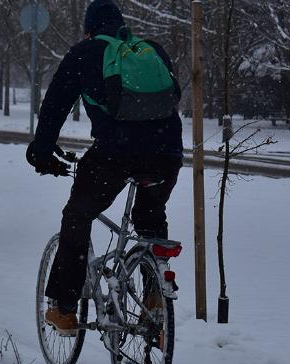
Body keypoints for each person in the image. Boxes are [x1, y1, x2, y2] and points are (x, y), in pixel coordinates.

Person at [26, 0, 184, 336]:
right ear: (121, 26)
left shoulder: (84, 53)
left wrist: (41, 153)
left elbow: (54, 107)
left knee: (78, 216)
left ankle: (65, 309)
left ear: (89, 29)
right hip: (166, 152)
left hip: (115, 155)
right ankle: (155, 299)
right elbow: (174, 96)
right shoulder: (150, 50)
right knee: (150, 220)